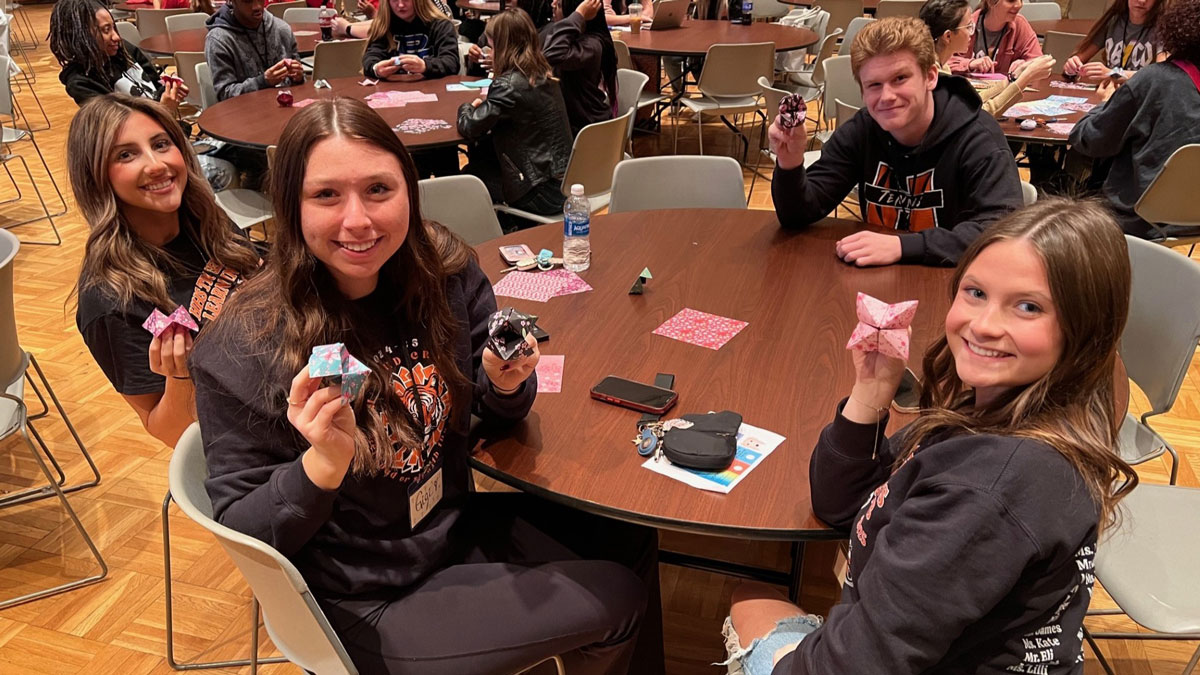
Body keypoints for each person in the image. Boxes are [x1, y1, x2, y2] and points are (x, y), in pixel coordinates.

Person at [190, 97, 665, 675]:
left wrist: (503, 384)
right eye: (326, 195)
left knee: (632, 536)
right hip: (363, 598)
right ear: (291, 206)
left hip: (450, 528)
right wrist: (321, 465)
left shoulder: (443, 273)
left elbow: (490, 416)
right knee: (617, 599)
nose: (358, 221)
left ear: (409, 193)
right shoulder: (244, 344)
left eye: (379, 190)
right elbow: (247, 536)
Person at [723, 197, 1138, 674]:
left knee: (747, 600)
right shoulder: (999, 410)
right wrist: (872, 390)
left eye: (1027, 307)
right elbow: (839, 503)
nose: (983, 325)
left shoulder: (987, 489)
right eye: (975, 293)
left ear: (1083, 331)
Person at [67, 94, 261, 447]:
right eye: (125, 154)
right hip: (243, 444)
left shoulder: (207, 225)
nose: (156, 164)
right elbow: (170, 433)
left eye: (161, 144)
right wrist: (181, 377)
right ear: (95, 175)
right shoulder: (110, 300)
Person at [770, 17, 1023, 267]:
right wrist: (790, 163)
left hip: (953, 287)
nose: (887, 96)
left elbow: (1001, 234)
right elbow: (798, 215)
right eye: (874, 85)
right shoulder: (862, 130)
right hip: (875, 284)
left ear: (931, 77)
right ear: (862, 91)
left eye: (900, 78)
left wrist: (903, 246)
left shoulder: (979, 139)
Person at [1069, 0, 1200, 239]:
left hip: (1136, 217)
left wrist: (1102, 103)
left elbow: (1089, 141)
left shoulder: (1153, 80)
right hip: (1193, 217)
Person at [457, 8, 573, 220]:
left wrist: (467, 107)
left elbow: (470, 126)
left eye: (491, 47)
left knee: (465, 178)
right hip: (565, 183)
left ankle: (495, 231)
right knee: (484, 159)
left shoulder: (508, 85)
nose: (488, 52)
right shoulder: (543, 73)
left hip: (539, 192)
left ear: (501, 47)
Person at [920, 0, 1054, 118]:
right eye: (968, 27)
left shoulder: (942, 65)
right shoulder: (935, 73)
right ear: (948, 36)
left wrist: (1013, 77)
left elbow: (973, 100)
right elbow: (981, 113)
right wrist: (1026, 78)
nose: (971, 33)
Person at [50, 0, 188, 114]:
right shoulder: (81, 83)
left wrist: (170, 89)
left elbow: (155, 87)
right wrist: (164, 110)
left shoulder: (124, 50)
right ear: (82, 36)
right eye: (105, 30)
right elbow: (120, 130)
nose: (116, 37)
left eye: (114, 28)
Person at [543, 0, 618, 136]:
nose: (552, 5)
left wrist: (580, 14)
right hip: (572, 123)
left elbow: (552, 54)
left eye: (560, 4)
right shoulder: (564, 38)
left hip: (587, 128)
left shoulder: (592, 45)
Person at [205, 0, 304, 101]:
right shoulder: (219, 39)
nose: (257, 6)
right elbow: (224, 95)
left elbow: (299, 85)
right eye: (248, 1)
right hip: (244, 112)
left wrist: (298, 77)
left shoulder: (282, 29)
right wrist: (263, 82)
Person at [1065, 0, 1166, 80]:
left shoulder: (1164, 28)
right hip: (1110, 94)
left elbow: (1160, 75)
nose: (1142, 1)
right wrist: (1071, 67)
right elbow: (1079, 59)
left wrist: (1111, 74)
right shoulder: (1113, 21)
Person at [361, 0, 460, 81]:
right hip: (395, 90)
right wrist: (376, 68)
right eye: (394, 0)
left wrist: (425, 66)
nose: (400, 5)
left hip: (434, 88)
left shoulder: (441, 25)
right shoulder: (383, 26)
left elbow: (451, 62)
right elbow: (370, 59)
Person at [946, 0, 1042, 77]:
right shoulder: (966, 26)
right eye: (1010, 1)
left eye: (1021, 0)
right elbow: (940, 62)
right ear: (991, 2)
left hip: (1003, 95)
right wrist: (970, 63)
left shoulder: (1020, 25)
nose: (1019, 5)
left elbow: (1041, 63)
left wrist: (1025, 65)